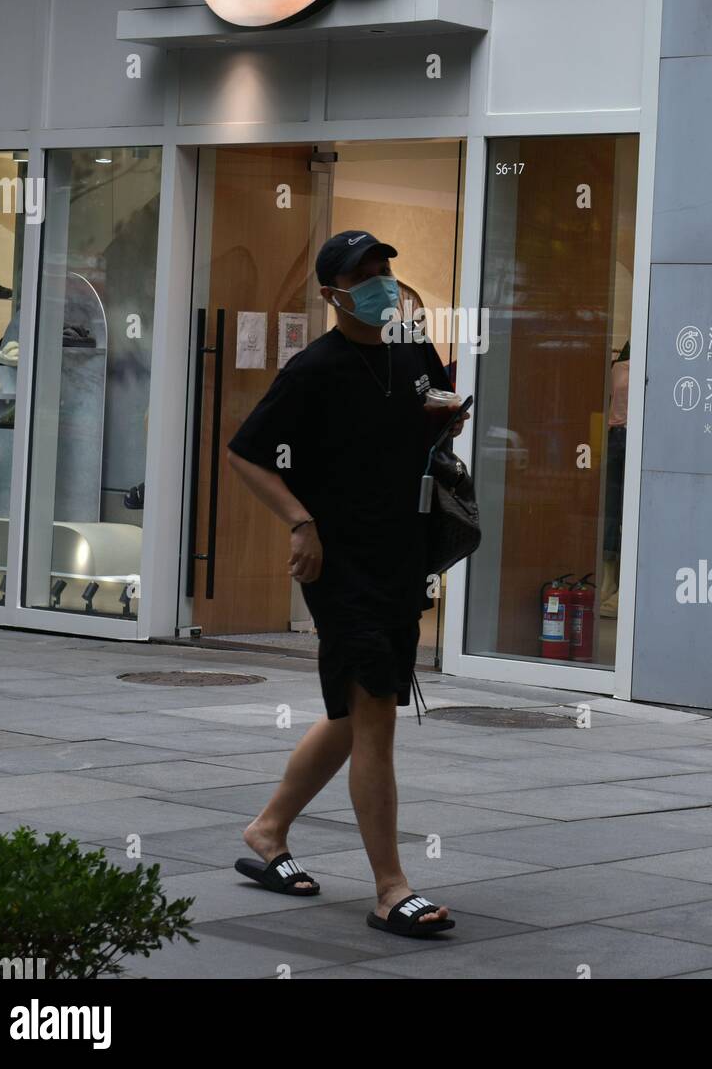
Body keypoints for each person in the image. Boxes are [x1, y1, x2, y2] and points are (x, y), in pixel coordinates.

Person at [226, 231, 466, 939]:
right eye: (363, 275)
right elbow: (246, 454)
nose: (380, 284)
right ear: (332, 293)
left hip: (401, 553)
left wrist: (444, 423)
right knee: (376, 720)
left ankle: (267, 831)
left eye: (385, 270)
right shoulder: (314, 370)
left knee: (356, 711)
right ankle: (392, 889)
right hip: (341, 565)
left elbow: (425, 429)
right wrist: (300, 522)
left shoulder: (411, 350)